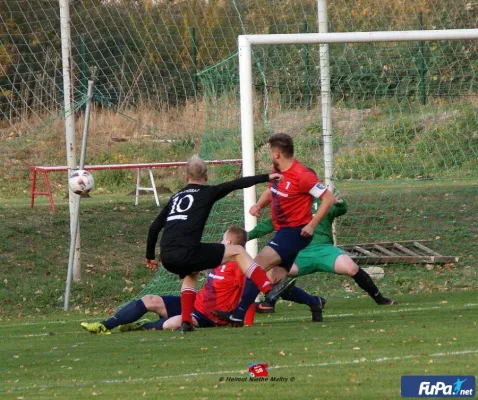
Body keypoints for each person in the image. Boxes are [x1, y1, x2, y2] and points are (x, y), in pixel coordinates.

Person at [145, 155, 281, 332]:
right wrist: (266, 177)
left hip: (167, 256)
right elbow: (236, 184)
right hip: (187, 252)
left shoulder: (176, 197)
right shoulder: (207, 192)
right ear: (206, 176)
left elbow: (154, 227)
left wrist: (150, 257)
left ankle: (186, 321)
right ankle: (267, 289)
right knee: (238, 250)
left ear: (186, 177)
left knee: (191, 272)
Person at [214, 133, 336, 325]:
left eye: (270, 151)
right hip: (285, 232)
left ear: (277, 153)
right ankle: (315, 302)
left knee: (256, 266)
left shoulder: (303, 175)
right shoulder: (279, 171)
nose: (269, 154)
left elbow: (328, 199)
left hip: (295, 232)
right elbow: (271, 190)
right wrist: (258, 206)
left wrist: (311, 225)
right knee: (273, 280)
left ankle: (237, 315)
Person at [81, 227, 248, 334]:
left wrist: (236, 315)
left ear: (228, 242)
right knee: (149, 299)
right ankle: (105, 325)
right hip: (194, 304)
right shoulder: (218, 260)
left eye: (222, 239)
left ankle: (141, 326)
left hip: (208, 317)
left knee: (171, 324)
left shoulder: (239, 266)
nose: (220, 241)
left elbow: (251, 288)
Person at [249, 196, 396, 313]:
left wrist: (340, 202)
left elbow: (341, 210)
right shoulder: (291, 205)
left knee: (351, 267)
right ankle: (271, 302)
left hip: (324, 250)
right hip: (299, 253)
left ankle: (379, 298)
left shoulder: (324, 202)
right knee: (272, 273)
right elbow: (269, 224)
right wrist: (245, 237)